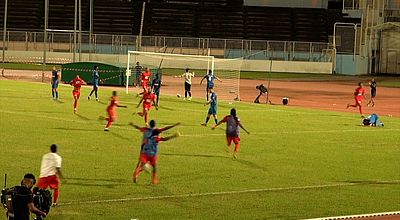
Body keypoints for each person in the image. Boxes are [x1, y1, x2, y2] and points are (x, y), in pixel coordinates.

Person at [131, 120, 180, 184]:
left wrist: (133, 125)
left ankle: (136, 173)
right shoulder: (157, 136)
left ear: (149, 124)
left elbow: (138, 127)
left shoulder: (146, 130)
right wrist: (173, 134)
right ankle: (154, 180)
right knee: (154, 167)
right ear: (155, 125)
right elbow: (165, 134)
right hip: (153, 154)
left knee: (142, 165)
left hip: (145, 151)